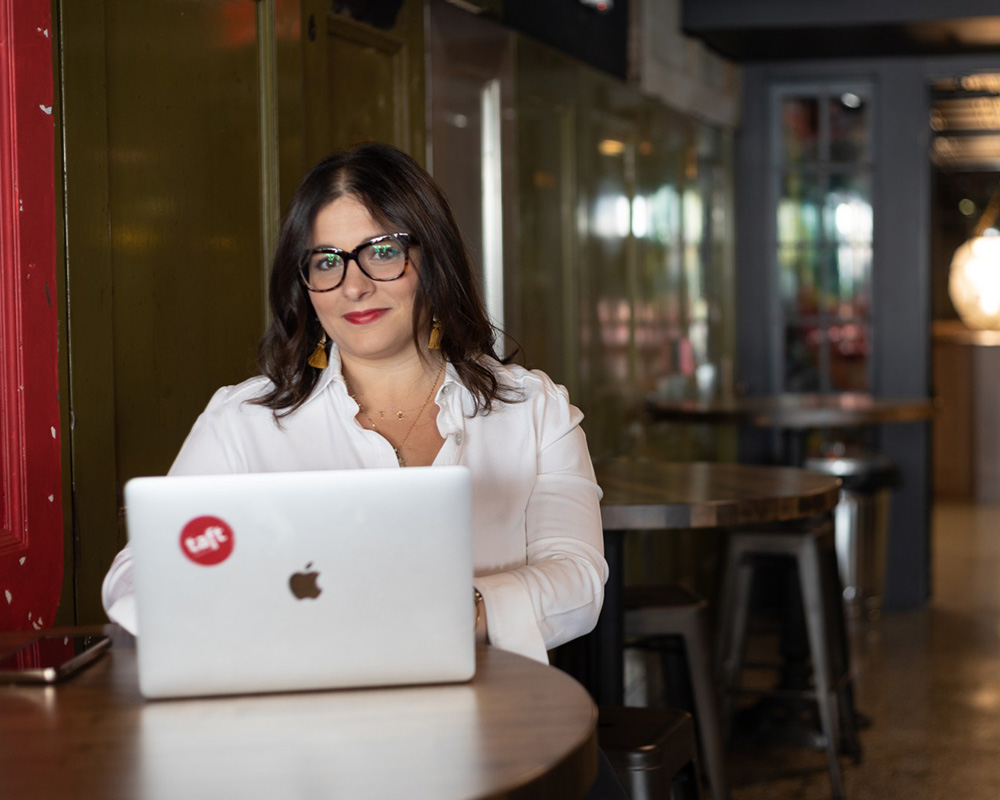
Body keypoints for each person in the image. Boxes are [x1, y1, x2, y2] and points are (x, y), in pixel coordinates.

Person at [102, 141, 608, 665]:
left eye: (383, 252)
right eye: (326, 262)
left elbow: (578, 579)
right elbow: (135, 580)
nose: (354, 286)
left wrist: (448, 614)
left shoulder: (532, 408)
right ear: (305, 286)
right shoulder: (242, 422)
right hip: (301, 721)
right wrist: (266, 617)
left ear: (432, 261)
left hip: (495, 717)